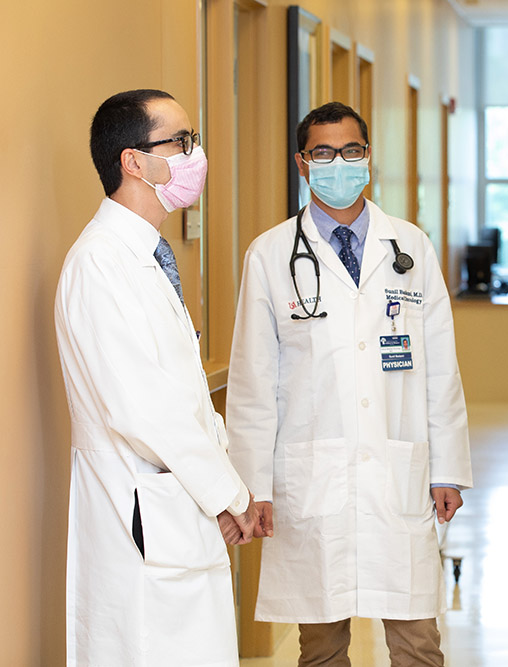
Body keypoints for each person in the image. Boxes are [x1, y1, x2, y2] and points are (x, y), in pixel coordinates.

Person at [226, 102, 473, 667]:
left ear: (368, 157)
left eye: (351, 150)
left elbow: (441, 368)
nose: (339, 162)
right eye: (323, 152)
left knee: (417, 641)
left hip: (398, 469)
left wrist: (450, 470)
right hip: (313, 475)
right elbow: (252, 383)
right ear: (302, 163)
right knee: (320, 645)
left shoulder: (410, 246)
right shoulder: (269, 255)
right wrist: (252, 485)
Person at [54, 89, 259, 666]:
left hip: (172, 508)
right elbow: (143, 409)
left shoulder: (145, 257)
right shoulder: (99, 263)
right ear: (133, 161)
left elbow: (183, 394)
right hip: (141, 512)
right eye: (183, 142)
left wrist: (224, 480)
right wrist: (228, 494)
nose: (197, 156)